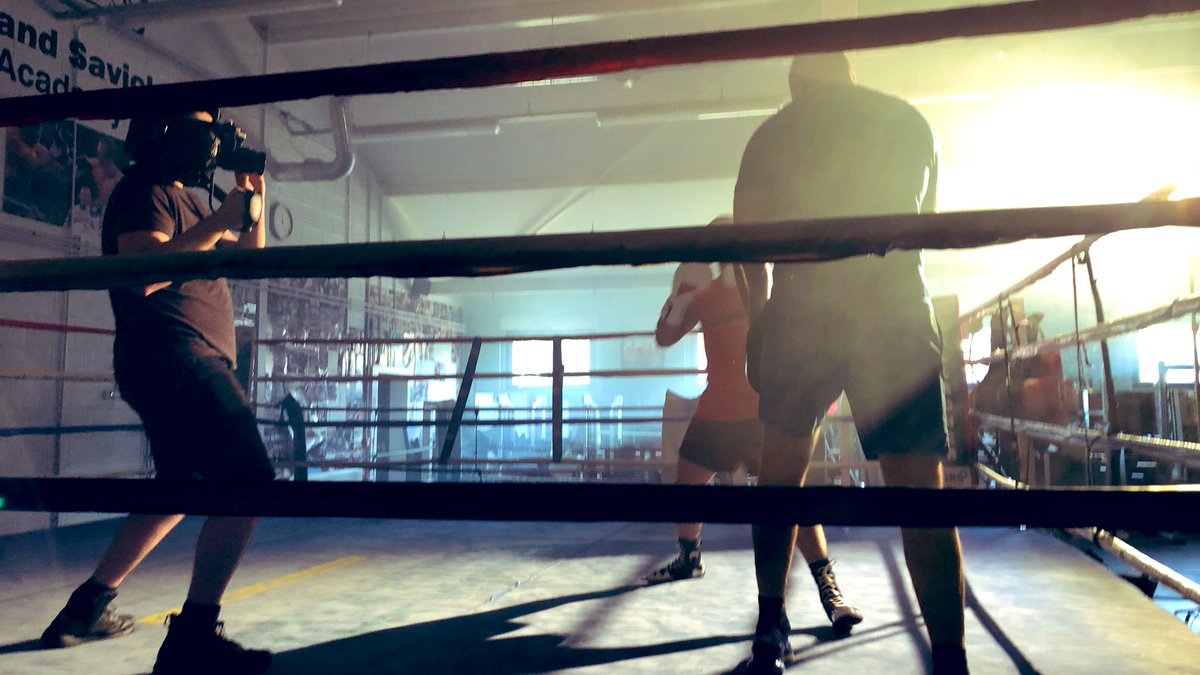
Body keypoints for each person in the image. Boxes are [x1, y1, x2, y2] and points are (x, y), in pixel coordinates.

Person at [734, 54, 967, 674]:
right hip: (892, 307)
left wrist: (759, 316)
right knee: (921, 487)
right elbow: (929, 227)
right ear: (851, 74)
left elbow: (744, 241)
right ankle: (950, 655)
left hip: (804, 308)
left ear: (795, 84)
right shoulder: (910, 122)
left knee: (779, 471)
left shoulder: (775, 132)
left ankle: (768, 626)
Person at [40, 110, 274, 675]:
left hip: (192, 357)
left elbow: (250, 260)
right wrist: (221, 216)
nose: (211, 142)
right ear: (162, 133)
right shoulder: (141, 191)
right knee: (248, 483)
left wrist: (250, 208)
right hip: (172, 355)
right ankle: (192, 638)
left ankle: (85, 608)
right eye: (199, 128)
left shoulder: (191, 199)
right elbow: (147, 271)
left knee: (178, 489)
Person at [647, 216, 864, 637]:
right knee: (686, 485)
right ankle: (688, 557)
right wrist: (679, 295)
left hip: (765, 412)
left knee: (784, 501)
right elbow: (664, 337)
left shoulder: (766, 290)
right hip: (716, 410)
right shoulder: (705, 295)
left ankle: (828, 588)